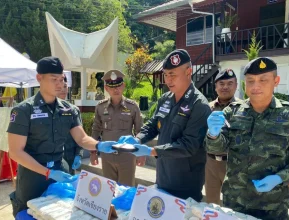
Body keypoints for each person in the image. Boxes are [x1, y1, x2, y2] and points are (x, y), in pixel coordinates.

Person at [7, 56, 117, 217]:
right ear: (39, 78)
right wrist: (47, 172)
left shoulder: (69, 110)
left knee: (61, 213)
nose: (59, 84)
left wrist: (99, 145)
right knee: (31, 213)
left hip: (61, 171)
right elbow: (16, 152)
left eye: (61, 79)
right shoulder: (24, 111)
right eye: (54, 79)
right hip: (33, 176)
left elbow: (82, 139)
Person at [206, 57, 289, 220]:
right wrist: (213, 134)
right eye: (250, 81)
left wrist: (281, 177)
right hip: (235, 204)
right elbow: (215, 149)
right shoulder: (232, 112)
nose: (255, 86)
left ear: (276, 81)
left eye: (263, 80)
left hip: (272, 208)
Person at [120, 49, 211, 201]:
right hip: (163, 176)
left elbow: (189, 145)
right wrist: (138, 139)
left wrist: (151, 151)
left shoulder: (199, 105)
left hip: (185, 184)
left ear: (188, 72)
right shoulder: (166, 99)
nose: (168, 80)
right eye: (166, 74)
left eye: (173, 75)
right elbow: (153, 124)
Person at [91, 69, 143, 187]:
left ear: (123, 86)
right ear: (106, 88)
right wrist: (93, 152)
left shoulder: (132, 107)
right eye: (112, 87)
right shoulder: (100, 107)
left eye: (119, 86)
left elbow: (139, 131)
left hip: (127, 157)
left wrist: (141, 153)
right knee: (108, 192)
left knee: (126, 191)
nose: (116, 89)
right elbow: (96, 130)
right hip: (107, 157)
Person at [205, 69, 239, 205]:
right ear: (216, 87)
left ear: (236, 86)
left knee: (232, 206)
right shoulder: (207, 108)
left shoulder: (243, 108)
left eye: (230, 83)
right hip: (210, 163)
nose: (225, 87)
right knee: (211, 203)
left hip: (233, 164)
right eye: (221, 83)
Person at [58, 76, 83, 175]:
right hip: (53, 159)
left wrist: (79, 155)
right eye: (61, 86)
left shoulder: (73, 110)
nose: (63, 89)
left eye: (65, 86)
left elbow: (80, 137)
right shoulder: (46, 109)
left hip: (70, 157)